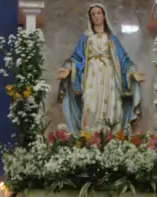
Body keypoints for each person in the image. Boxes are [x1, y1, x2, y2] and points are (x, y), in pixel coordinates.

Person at [56, 3, 145, 136]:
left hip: (109, 74)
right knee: (90, 103)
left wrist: (133, 71)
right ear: (90, 18)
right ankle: (90, 135)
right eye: (93, 14)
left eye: (99, 13)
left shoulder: (112, 39)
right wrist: (68, 68)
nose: (96, 16)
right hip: (92, 74)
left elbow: (123, 59)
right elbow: (77, 58)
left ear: (104, 16)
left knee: (111, 102)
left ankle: (112, 134)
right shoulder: (85, 38)